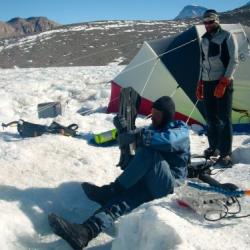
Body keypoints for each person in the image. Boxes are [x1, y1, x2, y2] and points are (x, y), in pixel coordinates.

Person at [48, 96, 190, 250]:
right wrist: (122, 132)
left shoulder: (180, 129)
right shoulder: (151, 130)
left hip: (170, 184)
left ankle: (112, 190)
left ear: (167, 116)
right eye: (152, 113)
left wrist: (139, 136)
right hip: (151, 181)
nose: (153, 118)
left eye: (157, 115)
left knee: (148, 153)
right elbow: (133, 141)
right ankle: (86, 231)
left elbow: (168, 141)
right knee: (122, 201)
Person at [196, 9, 239, 168]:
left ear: (217, 21)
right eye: (205, 22)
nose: (207, 25)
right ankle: (214, 147)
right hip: (207, 82)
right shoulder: (204, 40)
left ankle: (226, 153)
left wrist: (224, 82)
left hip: (222, 82)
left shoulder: (227, 36)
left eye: (210, 21)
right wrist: (199, 83)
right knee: (211, 118)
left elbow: (233, 61)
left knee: (224, 118)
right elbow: (202, 63)